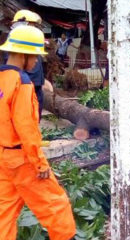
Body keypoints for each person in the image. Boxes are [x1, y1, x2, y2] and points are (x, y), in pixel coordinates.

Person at [0, 25, 76, 239]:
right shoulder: (22, 83)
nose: (36, 62)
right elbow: (26, 127)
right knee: (56, 207)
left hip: (3, 158)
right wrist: (40, 163)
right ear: (23, 54)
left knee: (3, 213)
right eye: (34, 56)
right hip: (23, 159)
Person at [9, 10, 46, 120]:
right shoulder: (15, 43)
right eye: (32, 25)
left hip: (36, 86)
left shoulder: (30, 41)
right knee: (27, 117)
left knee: (35, 116)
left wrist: (43, 80)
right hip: (27, 87)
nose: (34, 28)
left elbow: (37, 64)